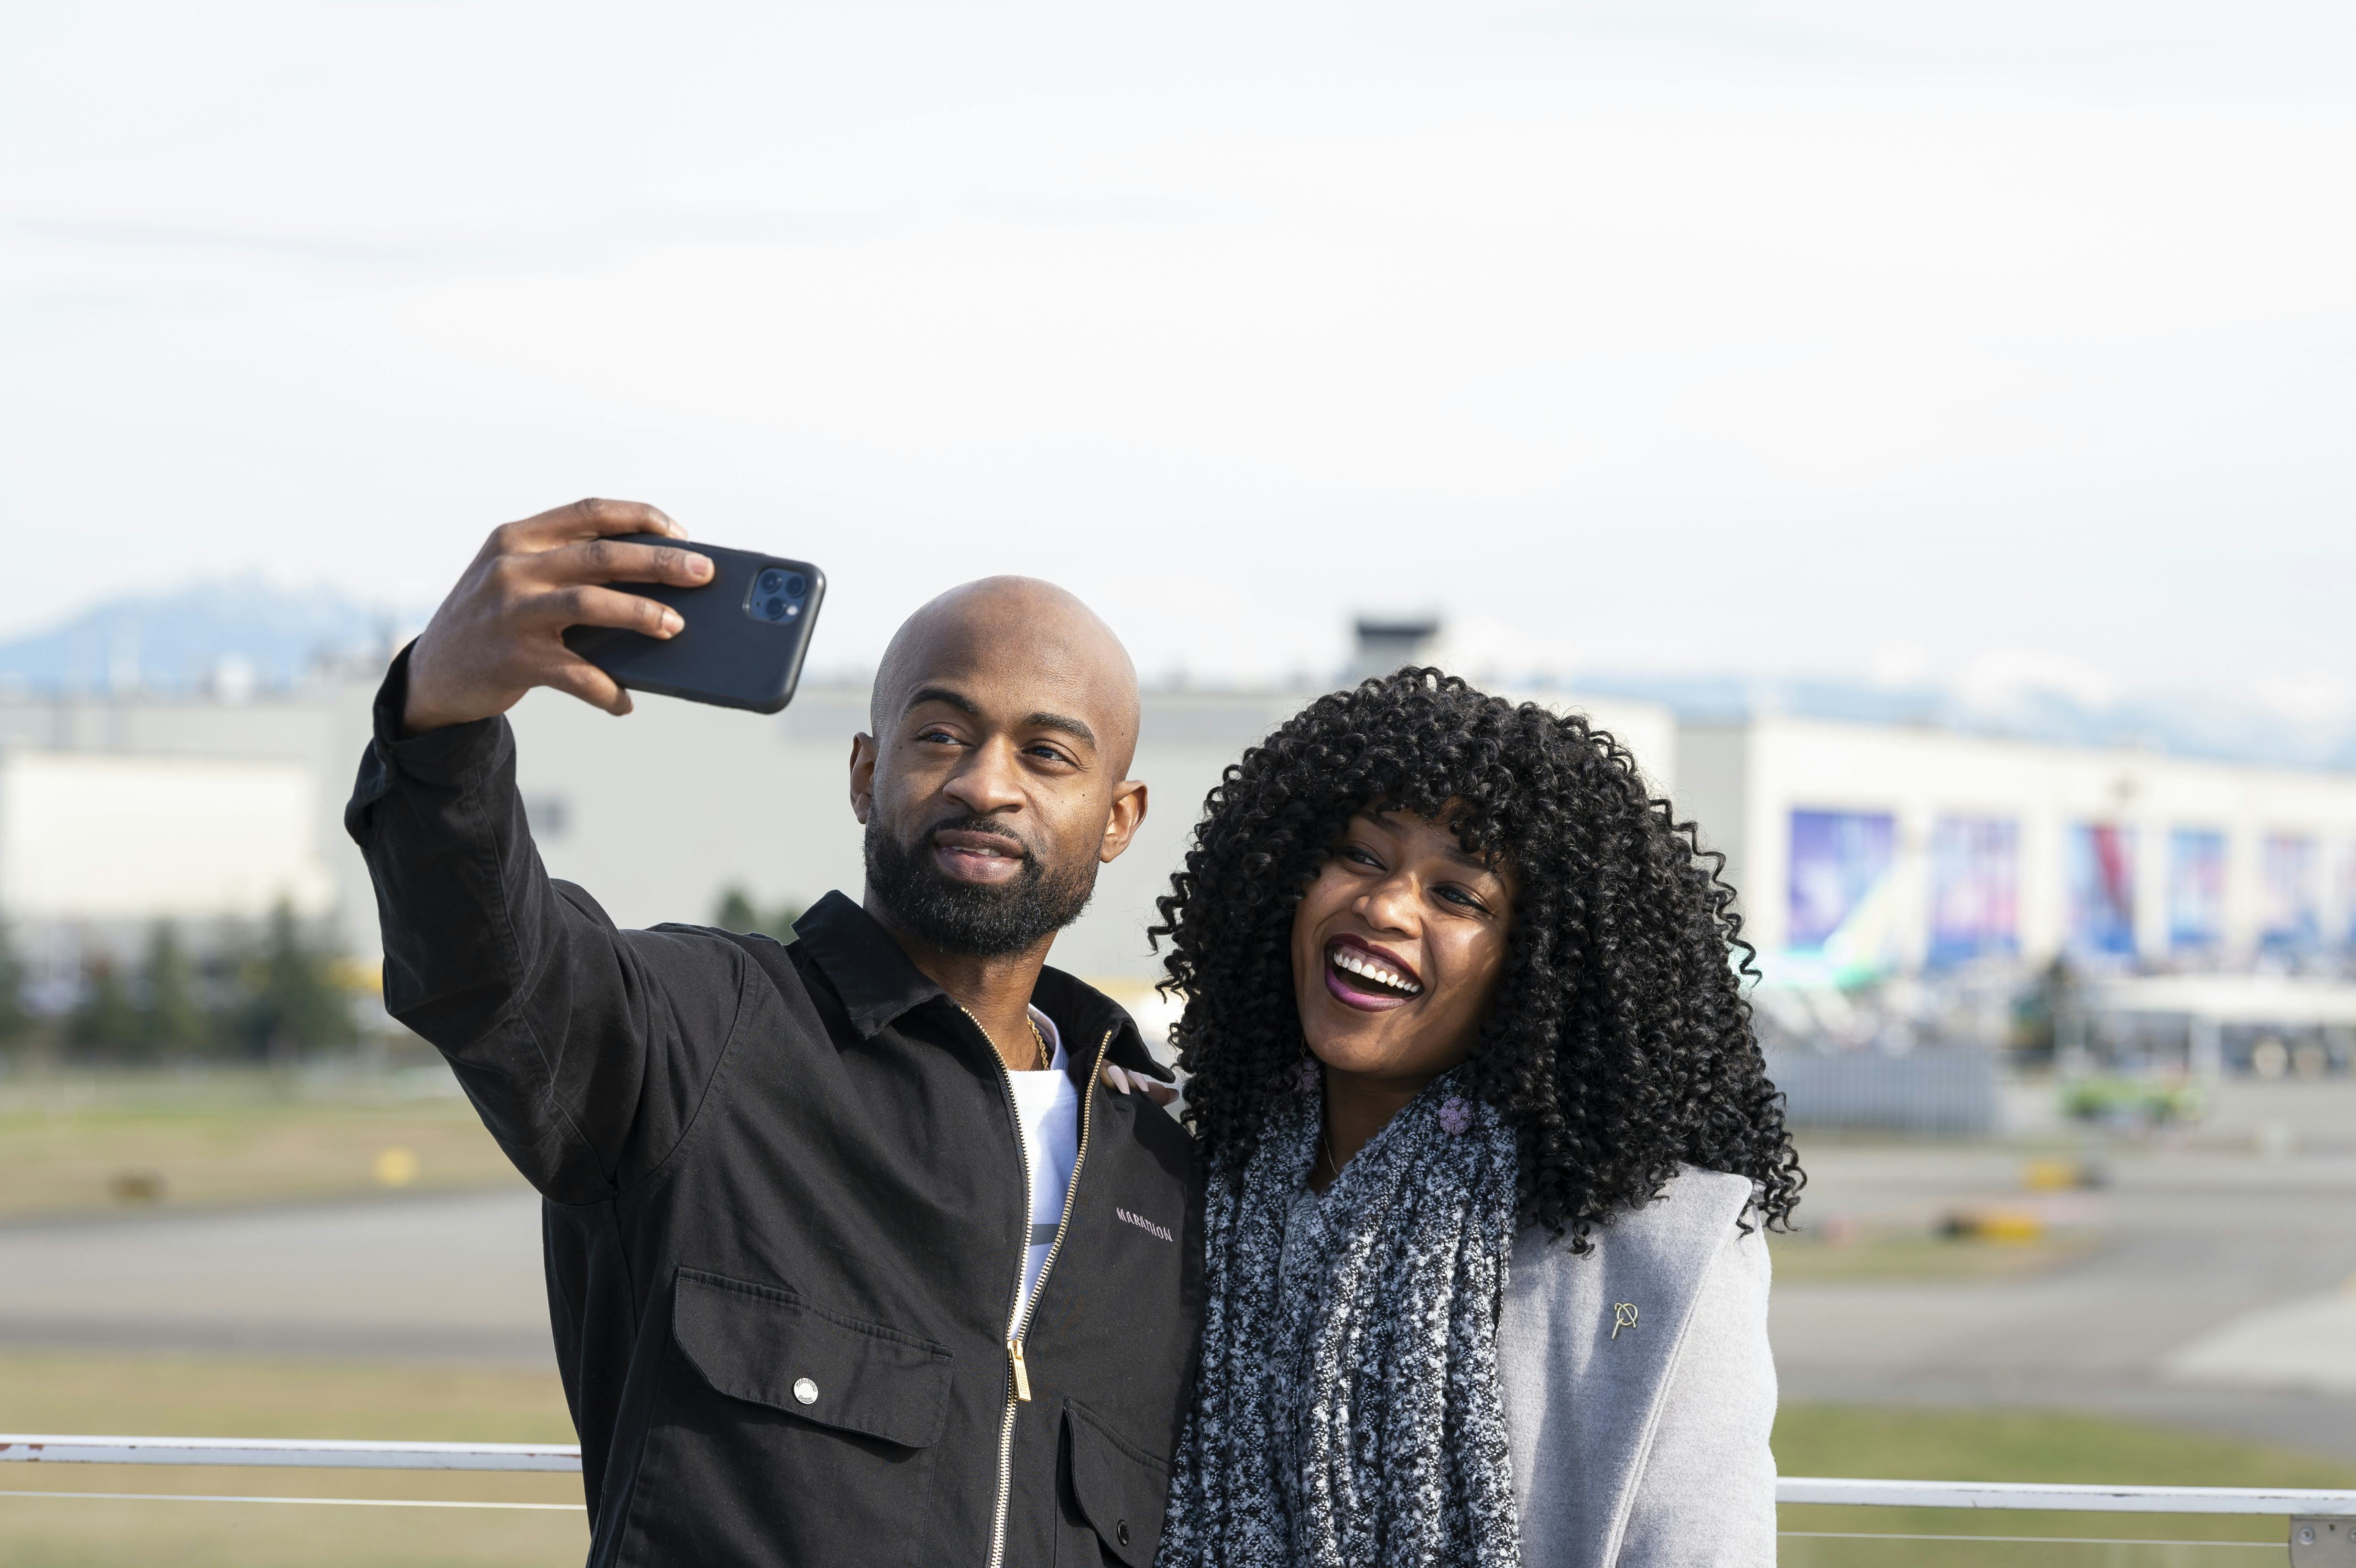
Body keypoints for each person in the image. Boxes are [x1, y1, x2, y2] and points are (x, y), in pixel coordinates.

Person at [345, 498, 1202, 1568]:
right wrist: (440, 717)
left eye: (1047, 754)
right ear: (863, 772)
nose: (988, 784)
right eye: (940, 734)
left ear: (1118, 818)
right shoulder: (707, 1036)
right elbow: (488, 965)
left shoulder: (1166, 1173)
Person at [1150, 670, 1800, 1568]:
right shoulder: (1161, 1173)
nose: (1383, 907)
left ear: (1539, 969)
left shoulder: (1665, 1251)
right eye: (1361, 857)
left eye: (1458, 896)